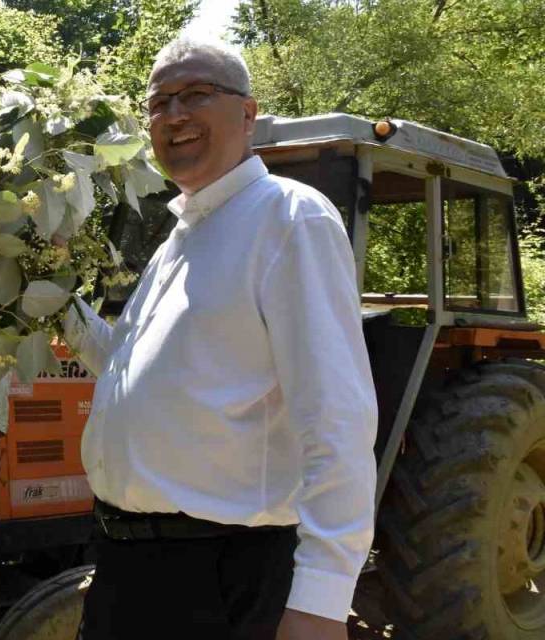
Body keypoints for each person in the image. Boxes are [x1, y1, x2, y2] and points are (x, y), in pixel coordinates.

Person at [64, 36, 376, 640]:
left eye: (197, 94)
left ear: (248, 114)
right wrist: (53, 298)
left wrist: (321, 600)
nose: (174, 115)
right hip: (127, 562)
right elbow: (123, 366)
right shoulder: (178, 239)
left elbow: (336, 417)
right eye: (160, 102)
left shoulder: (289, 218)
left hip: (221, 574)